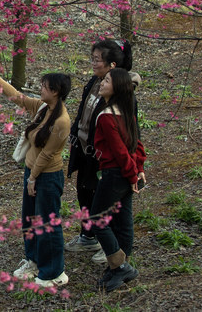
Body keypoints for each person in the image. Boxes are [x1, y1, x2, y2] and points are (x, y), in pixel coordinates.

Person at [0, 72, 72, 288]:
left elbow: (47, 154)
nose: (40, 89)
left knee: (47, 222)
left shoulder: (62, 121)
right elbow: (19, 98)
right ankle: (34, 260)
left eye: (44, 86)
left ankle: (54, 272)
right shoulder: (44, 108)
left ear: (55, 91)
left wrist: (33, 178)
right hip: (32, 172)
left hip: (47, 176)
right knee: (29, 219)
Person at [66, 39, 139, 262]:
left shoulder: (120, 97)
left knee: (108, 204)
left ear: (112, 66)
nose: (93, 63)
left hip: (106, 159)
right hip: (86, 150)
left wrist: (134, 169)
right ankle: (89, 236)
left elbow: (128, 135)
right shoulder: (95, 82)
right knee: (85, 192)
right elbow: (83, 110)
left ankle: (113, 247)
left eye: (98, 60)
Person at [91, 68, 147, 292]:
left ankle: (119, 266)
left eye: (106, 80)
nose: (102, 83)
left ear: (117, 87)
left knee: (97, 218)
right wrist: (138, 170)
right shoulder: (126, 113)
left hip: (115, 174)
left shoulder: (106, 116)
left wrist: (133, 173)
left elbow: (120, 150)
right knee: (123, 221)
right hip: (125, 174)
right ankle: (121, 267)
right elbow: (137, 144)